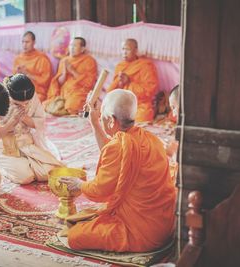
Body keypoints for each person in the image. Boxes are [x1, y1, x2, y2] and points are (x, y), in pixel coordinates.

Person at [60, 89, 176, 252]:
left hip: (142, 233)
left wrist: (79, 184)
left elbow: (99, 191)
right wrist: (94, 123)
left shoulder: (120, 146)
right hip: (165, 225)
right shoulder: (150, 138)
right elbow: (114, 153)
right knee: (86, 218)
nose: (100, 118)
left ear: (111, 121)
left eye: (102, 116)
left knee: (75, 236)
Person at [0, 74, 63, 184]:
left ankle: (25, 164)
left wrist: (24, 117)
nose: (24, 106)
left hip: (27, 143)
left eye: (27, 103)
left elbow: (39, 123)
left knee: (50, 172)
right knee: (25, 177)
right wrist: (12, 121)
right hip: (6, 146)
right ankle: (2, 167)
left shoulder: (30, 95)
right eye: (17, 104)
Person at [107, 39, 159, 122]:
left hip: (139, 104)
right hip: (122, 103)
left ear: (136, 50)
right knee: (107, 112)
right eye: (123, 49)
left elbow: (150, 91)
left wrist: (129, 82)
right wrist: (120, 83)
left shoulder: (146, 65)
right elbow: (113, 91)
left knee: (143, 116)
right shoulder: (120, 66)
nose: (124, 52)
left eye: (127, 49)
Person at [46, 37, 97, 115]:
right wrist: (64, 72)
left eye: (75, 46)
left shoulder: (89, 61)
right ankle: (63, 107)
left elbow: (89, 83)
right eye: (70, 45)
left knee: (72, 106)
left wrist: (72, 70)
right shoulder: (64, 60)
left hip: (80, 91)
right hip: (64, 91)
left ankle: (66, 108)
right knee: (47, 104)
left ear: (82, 49)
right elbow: (60, 82)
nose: (72, 48)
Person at [13, 31, 53, 102]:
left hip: (37, 92)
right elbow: (13, 81)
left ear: (34, 42)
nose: (24, 45)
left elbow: (46, 81)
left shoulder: (42, 59)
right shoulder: (18, 59)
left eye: (27, 42)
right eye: (23, 42)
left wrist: (28, 74)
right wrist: (18, 74)